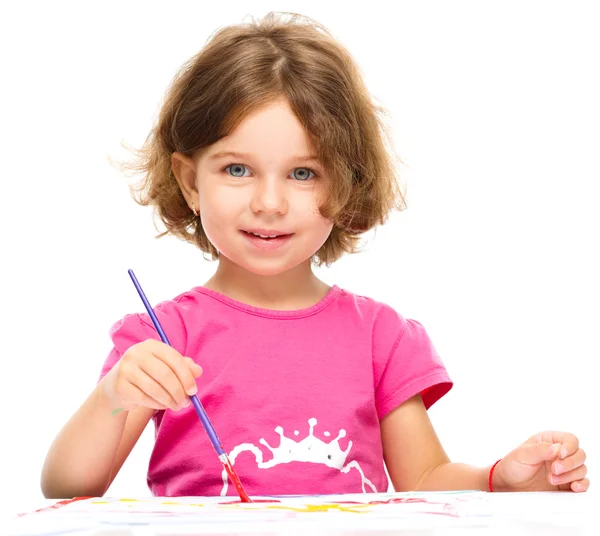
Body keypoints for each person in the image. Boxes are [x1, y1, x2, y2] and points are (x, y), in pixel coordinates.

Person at [41, 12, 589, 499]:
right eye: (237, 169)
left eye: (303, 173)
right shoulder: (162, 340)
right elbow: (68, 486)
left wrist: (501, 479)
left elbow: (423, 482)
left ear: (346, 184)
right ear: (189, 181)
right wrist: (114, 396)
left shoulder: (382, 337)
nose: (269, 203)